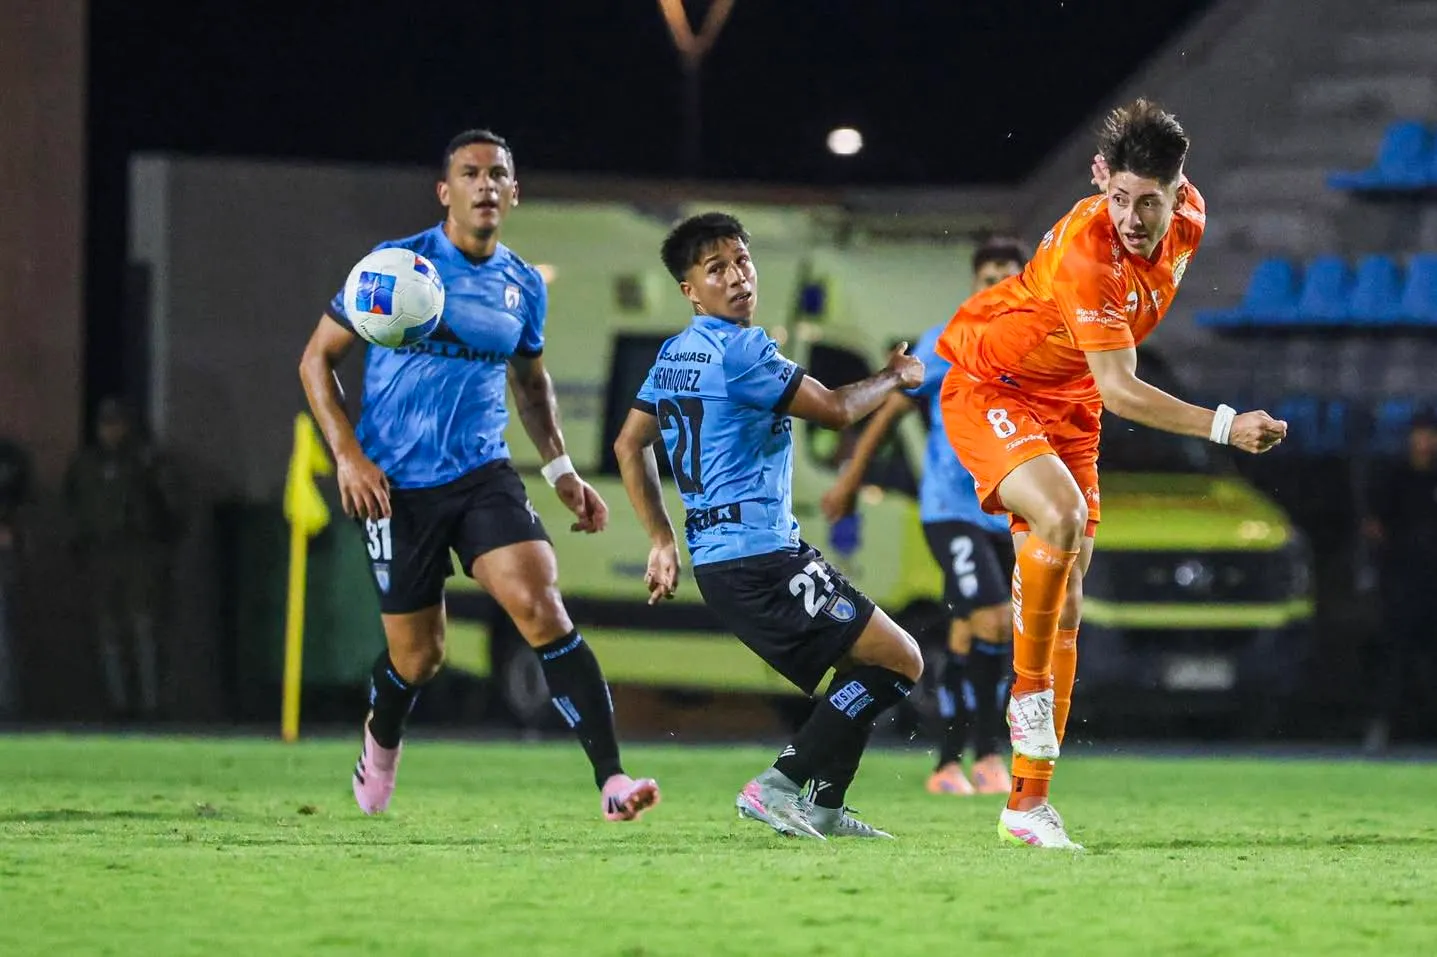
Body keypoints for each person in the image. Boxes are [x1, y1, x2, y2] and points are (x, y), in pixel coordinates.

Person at [936, 99, 1288, 849]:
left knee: (1068, 600)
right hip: (994, 383)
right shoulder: (1088, 249)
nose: (1130, 216)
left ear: (1176, 190)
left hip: (1070, 403)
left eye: (1146, 202)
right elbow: (1124, 388)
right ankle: (1023, 694)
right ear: (1100, 182)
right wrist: (1224, 425)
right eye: (1118, 197)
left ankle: (1025, 806)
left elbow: (1104, 387)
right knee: (1059, 517)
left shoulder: (1190, 218)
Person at [299, 128, 659, 822]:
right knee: (419, 656)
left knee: (538, 602)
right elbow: (316, 360)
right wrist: (348, 454)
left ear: (514, 192)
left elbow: (530, 383)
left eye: (498, 173)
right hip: (396, 487)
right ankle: (379, 742)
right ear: (445, 191)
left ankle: (612, 781)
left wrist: (559, 469)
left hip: (480, 475)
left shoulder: (522, 283)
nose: (485, 184)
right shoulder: (391, 267)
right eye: (470, 173)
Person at [612, 211, 926, 841]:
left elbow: (628, 444)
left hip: (726, 560)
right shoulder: (741, 351)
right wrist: (895, 377)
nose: (737, 278)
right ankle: (779, 785)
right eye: (716, 269)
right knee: (901, 662)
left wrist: (661, 539)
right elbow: (836, 411)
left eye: (742, 262)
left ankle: (827, 807)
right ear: (690, 290)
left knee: (862, 670)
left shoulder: (675, 354)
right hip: (760, 556)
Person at [822, 238, 1028, 798]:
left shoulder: (1035, 346)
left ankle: (955, 763)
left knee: (975, 630)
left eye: (1007, 278)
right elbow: (893, 410)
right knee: (990, 619)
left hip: (1006, 511)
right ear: (974, 285)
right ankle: (982, 756)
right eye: (988, 279)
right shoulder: (949, 341)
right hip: (950, 508)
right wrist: (849, 480)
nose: (996, 290)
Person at [63, 397, 184, 720]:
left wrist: (163, 545)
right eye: (106, 424)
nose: (111, 431)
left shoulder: (146, 461)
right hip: (101, 555)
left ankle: (151, 704)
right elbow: (74, 507)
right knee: (107, 633)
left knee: (145, 630)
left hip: (140, 554)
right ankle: (118, 704)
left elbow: (172, 507)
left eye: (116, 423)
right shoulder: (87, 463)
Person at [1360, 408, 1437, 752]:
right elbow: (1374, 528)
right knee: (1395, 657)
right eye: (1420, 433)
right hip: (1402, 583)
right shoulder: (1395, 477)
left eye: (1430, 434)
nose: (1425, 442)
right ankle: (1382, 727)